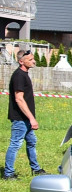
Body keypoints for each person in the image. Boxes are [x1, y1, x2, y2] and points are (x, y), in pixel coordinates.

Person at [4, 50, 45, 180]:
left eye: (33, 59)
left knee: (32, 142)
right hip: (20, 118)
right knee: (15, 144)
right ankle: (8, 173)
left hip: (25, 118)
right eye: (30, 59)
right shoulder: (19, 76)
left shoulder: (24, 74)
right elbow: (19, 99)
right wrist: (32, 119)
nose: (34, 61)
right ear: (21, 61)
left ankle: (36, 169)